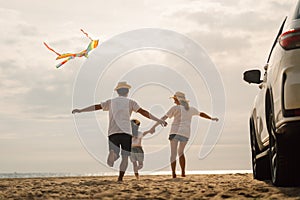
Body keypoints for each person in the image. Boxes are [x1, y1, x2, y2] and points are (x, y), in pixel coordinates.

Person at [72, 81, 167, 181]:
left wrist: (81, 110)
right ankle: (120, 178)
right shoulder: (131, 102)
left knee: (112, 160)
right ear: (127, 91)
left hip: (113, 133)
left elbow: (96, 107)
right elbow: (144, 112)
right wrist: (159, 120)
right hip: (126, 133)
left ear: (117, 91)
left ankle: (113, 154)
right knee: (125, 158)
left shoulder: (111, 102)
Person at [145, 91, 218, 178]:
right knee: (181, 152)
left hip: (174, 132)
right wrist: (211, 118)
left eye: (175, 99)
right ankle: (183, 172)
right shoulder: (191, 109)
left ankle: (174, 174)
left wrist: (153, 127)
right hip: (185, 133)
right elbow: (201, 114)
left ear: (178, 100)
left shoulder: (175, 108)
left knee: (173, 153)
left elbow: (164, 118)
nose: (174, 101)